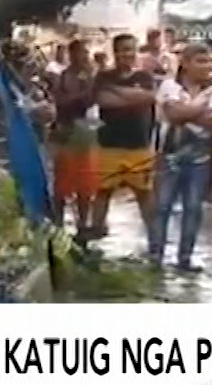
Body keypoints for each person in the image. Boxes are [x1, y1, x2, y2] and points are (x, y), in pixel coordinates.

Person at [152, 43, 212, 270]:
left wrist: (186, 113)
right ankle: (156, 254)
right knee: (162, 206)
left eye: (209, 61)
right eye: (201, 61)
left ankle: (185, 257)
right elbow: (173, 115)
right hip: (168, 156)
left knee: (193, 207)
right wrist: (199, 109)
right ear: (186, 63)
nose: (207, 66)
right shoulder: (169, 86)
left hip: (200, 159)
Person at [90, 33, 159, 240]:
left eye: (131, 49)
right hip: (108, 144)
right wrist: (132, 96)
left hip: (139, 144)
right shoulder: (103, 77)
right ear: (115, 52)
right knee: (103, 192)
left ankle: (155, 241)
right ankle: (96, 233)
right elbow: (104, 101)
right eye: (123, 49)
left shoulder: (144, 77)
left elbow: (148, 98)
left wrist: (117, 91)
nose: (127, 54)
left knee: (144, 194)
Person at [48, 40, 100, 235]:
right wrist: (85, 92)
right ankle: (59, 223)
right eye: (81, 53)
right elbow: (61, 102)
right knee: (63, 181)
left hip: (85, 131)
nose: (85, 56)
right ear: (72, 54)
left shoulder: (89, 76)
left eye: (86, 53)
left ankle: (83, 223)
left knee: (86, 182)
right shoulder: (63, 77)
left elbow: (94, 101)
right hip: (66, 131)